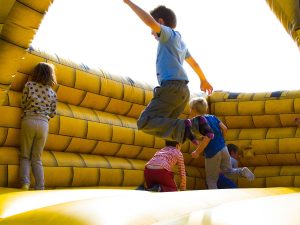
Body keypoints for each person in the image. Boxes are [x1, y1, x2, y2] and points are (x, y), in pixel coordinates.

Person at [123, 1, 213, 146]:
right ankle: (190, 131)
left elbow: (149, 21)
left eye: (152, 30)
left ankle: (192, 125)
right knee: (167, 129)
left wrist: (128, 2)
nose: (152, 33)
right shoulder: (180, 43)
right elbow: (194, 63)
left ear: (160, 22)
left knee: (145, 122)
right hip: (183, 92)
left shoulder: (167, 35)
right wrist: (203, 80)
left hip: (171, 88)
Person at [189, 97, 255, 189]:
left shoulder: (199, 121)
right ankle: (242, 171)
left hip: (212, 152)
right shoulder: (213, 117)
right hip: (223, 148)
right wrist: (221, 140)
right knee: (228, 172)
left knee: (211, 180)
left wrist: (197, 152)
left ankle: (214, 199)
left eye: (190, 108)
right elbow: (225, 128)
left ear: (193, 110)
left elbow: (208, 137)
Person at [20, 62, 57, 190]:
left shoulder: (29, 85)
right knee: (37, 158)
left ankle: (25, 183)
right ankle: (40, 186)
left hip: (29, 120)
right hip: (43, 124)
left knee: (25, 155)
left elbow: (23, 103)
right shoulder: (52, 93)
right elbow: (53, 113)